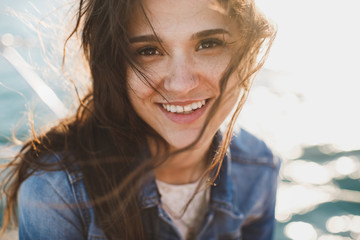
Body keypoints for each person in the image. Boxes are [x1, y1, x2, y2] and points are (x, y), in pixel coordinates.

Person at [0, 0, 280, 239]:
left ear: (247, 52)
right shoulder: (58, 193)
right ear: (113, 66)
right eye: (148, 51)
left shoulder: (260, 168)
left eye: (208, 44)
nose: (181, 84)